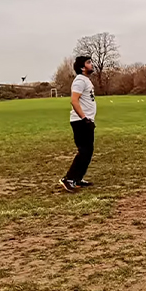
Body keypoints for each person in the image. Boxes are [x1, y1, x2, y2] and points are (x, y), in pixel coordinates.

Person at [61, 56, 97, 193]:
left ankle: (77, 179)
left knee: (88, 151)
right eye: (88, 63)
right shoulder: (79, 81)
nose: (91, 64)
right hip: (80, 121)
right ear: (82, 68)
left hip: (86, 121)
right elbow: (74, 101)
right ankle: (69, 179)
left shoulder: (86, 80)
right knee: (84, 151)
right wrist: (84, 118)